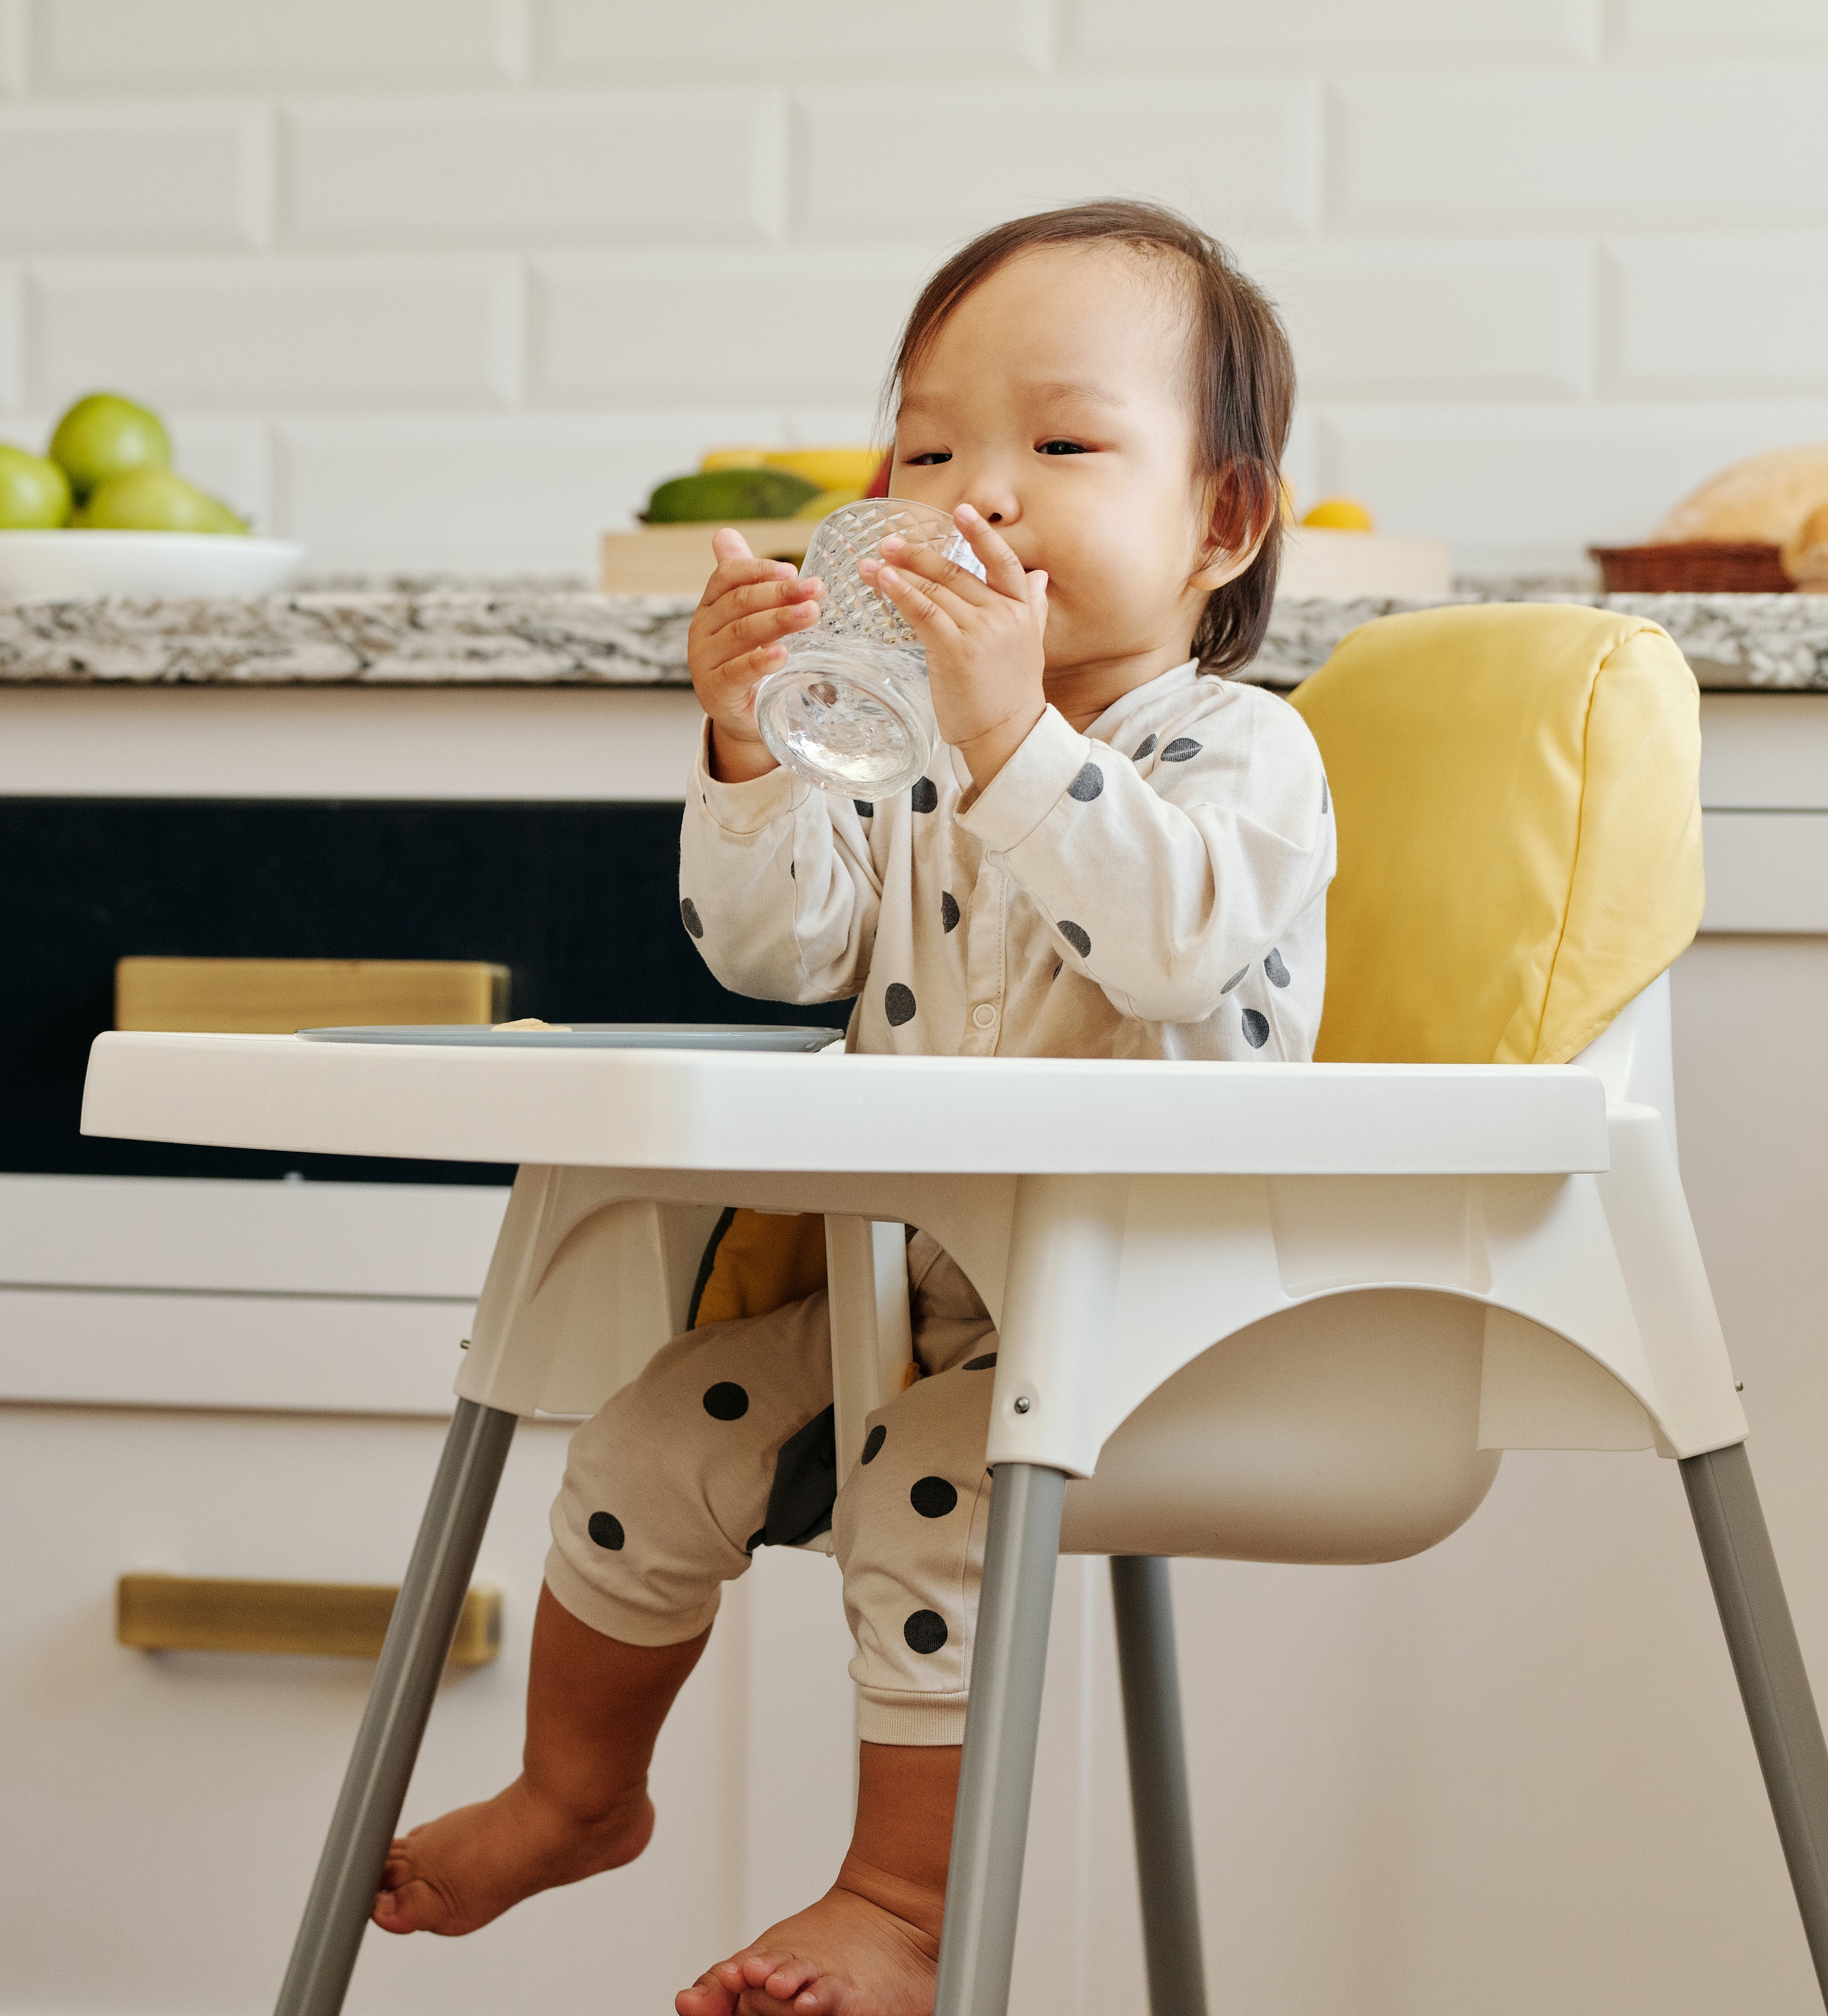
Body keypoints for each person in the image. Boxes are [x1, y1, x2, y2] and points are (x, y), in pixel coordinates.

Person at [375, 200, 1334, 2016]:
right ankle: (579, 1795)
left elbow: (1181, 951)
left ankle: (899, 1904)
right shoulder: (905, 762)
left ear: (1222, 522)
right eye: (927, 444)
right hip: (938, 1288)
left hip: (1172, 1307)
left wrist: (1009, 744)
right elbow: (776, 946)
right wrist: (749, 748)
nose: (979, 494)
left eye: (1058, 445)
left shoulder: (1235, 748)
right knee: (654, 1431)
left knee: (924, 1475)